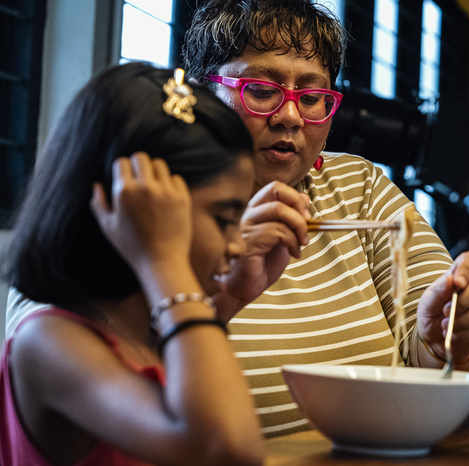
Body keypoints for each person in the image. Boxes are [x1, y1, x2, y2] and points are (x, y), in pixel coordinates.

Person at [7, 0, 469, 438]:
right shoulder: (142, 221)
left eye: (312, 97)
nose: (289, 117)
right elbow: (192, 424)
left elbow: (439, 348)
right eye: (261, 89)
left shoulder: (360, 187)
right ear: (199, 97)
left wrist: (454, 336)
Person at [1, 62, 269, 465]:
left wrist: (228, 300)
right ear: (139, 209)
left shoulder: (145, 331)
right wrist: (164, 260)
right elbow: (227, 448)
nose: (236, 244)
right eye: (224, 219)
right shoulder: (50, 342)